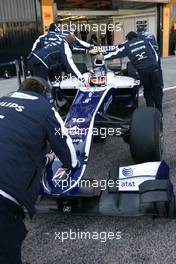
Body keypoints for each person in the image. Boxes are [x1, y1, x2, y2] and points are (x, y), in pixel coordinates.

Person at [0, 77, 78, 264]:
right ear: (44, 93)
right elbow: (65, 147)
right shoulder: (44, 108)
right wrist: (71, 164)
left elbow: (11, 143)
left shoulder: (2, 99)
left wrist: (44, 158)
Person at [91, 31, 163, 113]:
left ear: (128, 39)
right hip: (155, 68)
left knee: (148, 91)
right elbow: (156, 55)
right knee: (158, 91)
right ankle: (159, 112)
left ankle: (152, 113)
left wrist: (103, 57)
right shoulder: (146, 41)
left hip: (143, 71)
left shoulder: (127, 46)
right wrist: (156, 65)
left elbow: (115, 54)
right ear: (136, 36)